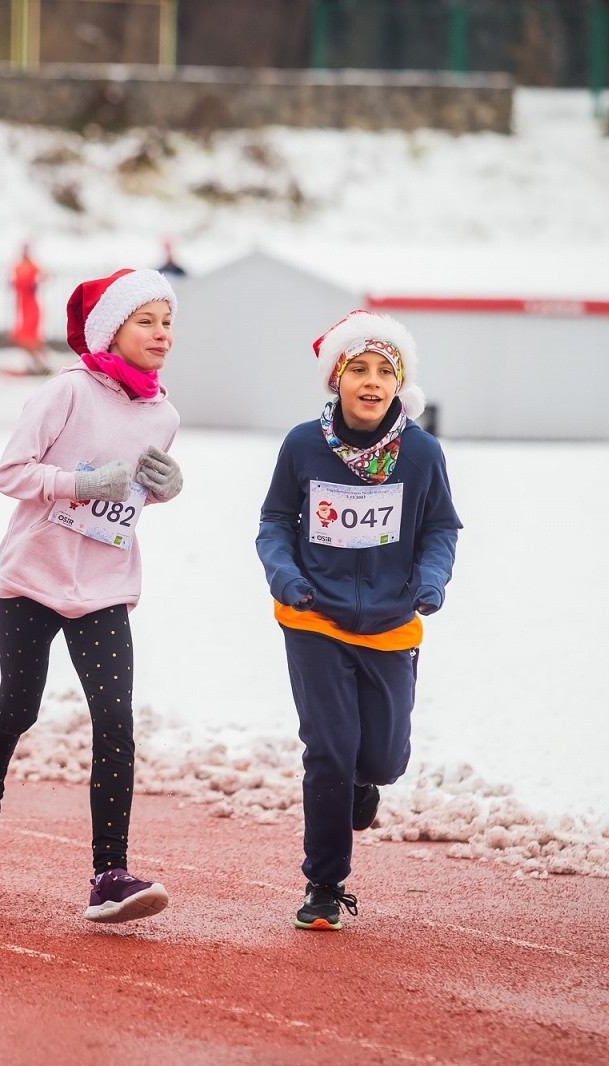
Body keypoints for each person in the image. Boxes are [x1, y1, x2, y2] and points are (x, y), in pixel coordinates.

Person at [0, 268, 185, 924]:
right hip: (33, 577)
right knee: (19, 706)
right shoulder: (69, 392)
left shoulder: (164, 413)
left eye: (168, 323)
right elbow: (10, 473)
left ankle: (109, 874)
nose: (162, 335)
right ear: (113, 328)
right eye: (148, 322)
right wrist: (80, 483)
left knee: (116, 722)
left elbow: (133, 498)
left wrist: (164, 489)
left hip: (106, 586)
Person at [255, 310, 461, 931]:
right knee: (329, 750)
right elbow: (273, 523)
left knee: (382, 761)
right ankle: (323, 884)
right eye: (359, 369)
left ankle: (362, 785)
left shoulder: (422, 454)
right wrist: (287, 578)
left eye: (385, 371)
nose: (372, 382)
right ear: (336, 380)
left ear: (400, 384)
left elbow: (441, 527)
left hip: (394, 623)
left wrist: (431, 579)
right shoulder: (303, 445)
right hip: (314, 617)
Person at [9, 244, 47, 374]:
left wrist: (36, 283)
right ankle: (38, 363)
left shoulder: (32, 267)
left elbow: (46, 275)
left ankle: (41, 363)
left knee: (30, 337)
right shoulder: (17, 267)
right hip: (22, 305)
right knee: (23, 337)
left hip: (31, 304)